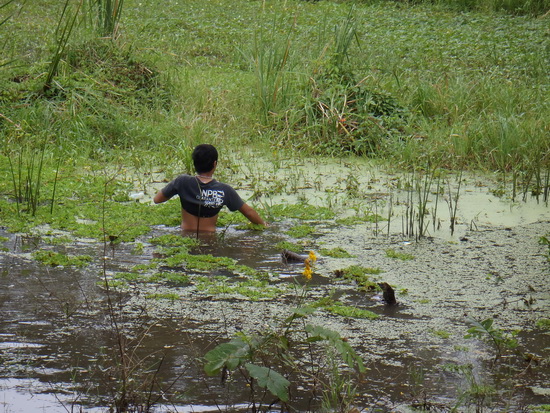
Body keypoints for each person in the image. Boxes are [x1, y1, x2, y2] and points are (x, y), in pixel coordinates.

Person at [153, 144, 267, 232]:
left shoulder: (182, 181)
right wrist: (264, 225)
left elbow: (157, 199)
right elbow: (249, 212)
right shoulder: (225, 190)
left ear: (194, 163)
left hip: (185, 236)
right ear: (214, 164)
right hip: (211, 240)